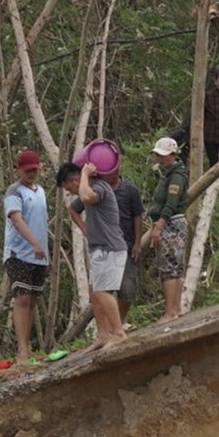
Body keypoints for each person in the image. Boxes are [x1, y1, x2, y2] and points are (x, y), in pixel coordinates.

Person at [61, 157, 128, 349]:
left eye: (69, 187)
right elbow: (73, 209)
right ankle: (103, 335)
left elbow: (86, 198)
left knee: (102, 291)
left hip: (110, 248)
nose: (70, 192)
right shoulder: (88, 190)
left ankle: (118, 332)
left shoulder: (99, 187)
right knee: (94, 292)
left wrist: (84, 173)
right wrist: (85, 229)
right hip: (100, 248)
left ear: (75, 180)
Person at [2, 149, 50, 365]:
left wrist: (46, 254)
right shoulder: (14, 192)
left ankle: (28, 349)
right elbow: (17, 220)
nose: (32, 173)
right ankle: (21, 351)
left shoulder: (40, 191)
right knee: (21, 298)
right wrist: (33, 244)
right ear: (20, 169)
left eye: (35, 170)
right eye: (28, 170)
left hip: (39, 255)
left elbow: (42, 223)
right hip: (19, 252)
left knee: (32, 300)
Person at [144, 135, 189, 325]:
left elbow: (171, 203)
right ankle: (176, 308)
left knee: (169, 267)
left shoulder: (176, 176)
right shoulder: (168, 173)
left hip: (171, 223)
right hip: (171, 222)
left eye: (164, 156)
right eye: (158, 155)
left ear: (173, 155)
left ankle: (170, 311)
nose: (160, 159)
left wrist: (158, 226)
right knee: (175, 266)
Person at [112, 162, 145, 322]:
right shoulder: (97, 190)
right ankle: (110, 328)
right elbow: (75, 208)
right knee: (103, 292)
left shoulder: (130, 190)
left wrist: (138, 242)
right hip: (106, 249)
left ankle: (119, 322)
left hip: (127, 246)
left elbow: (137, 216)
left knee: (128, 289)